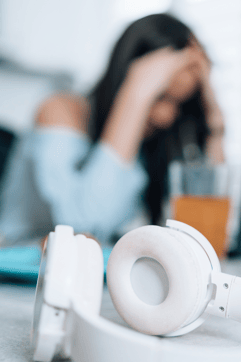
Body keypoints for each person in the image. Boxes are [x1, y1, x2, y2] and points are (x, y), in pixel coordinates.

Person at [0, 13, 225, 245]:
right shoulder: (60, 110)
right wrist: (136, 96)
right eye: (159, 96)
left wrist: (215, 126)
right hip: (19, 273)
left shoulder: (149, 142)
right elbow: (83, 228)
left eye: (179, 103)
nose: (166, 117)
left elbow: (205, 238)